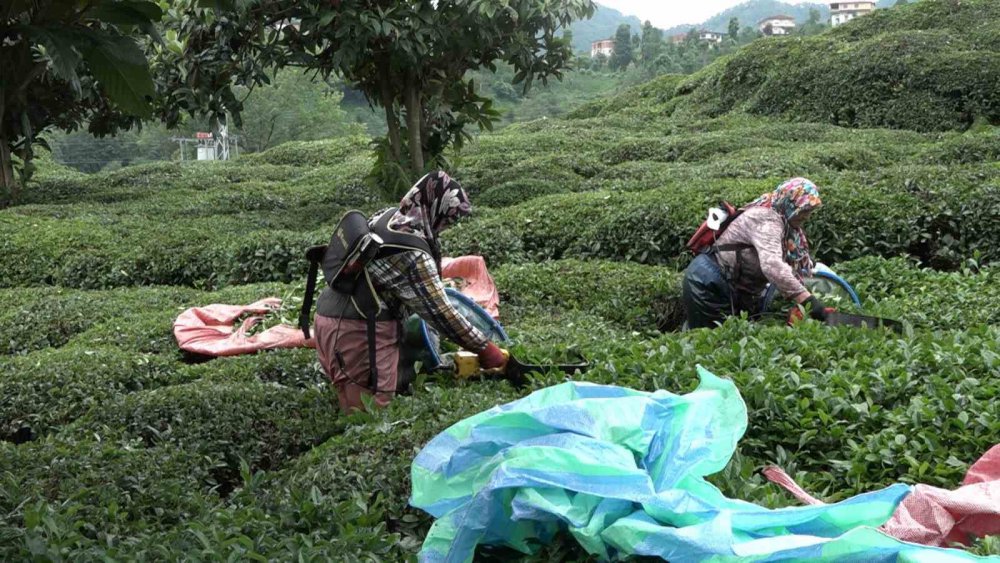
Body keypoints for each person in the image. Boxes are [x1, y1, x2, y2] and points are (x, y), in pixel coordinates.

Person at [312, 171, 508, 412]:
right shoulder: (413, 254)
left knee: (352, 401)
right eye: (447, 220)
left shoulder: (386, 217)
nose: (445, 227)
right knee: (369, 415)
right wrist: (485, 349)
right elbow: (443, 314)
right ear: (436, 209)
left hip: (329, 318)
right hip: (358, 331)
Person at [682, 177, 829, 329]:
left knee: (734, 333)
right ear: (789, 203)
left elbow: (782, 256)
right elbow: (773, 266)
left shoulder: (783, 219)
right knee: (713, 337)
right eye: (803, 210)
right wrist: (809, 302)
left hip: (730, 283)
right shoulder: (767, 220)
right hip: (709, 281)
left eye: (809, 211)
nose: (806, 216)